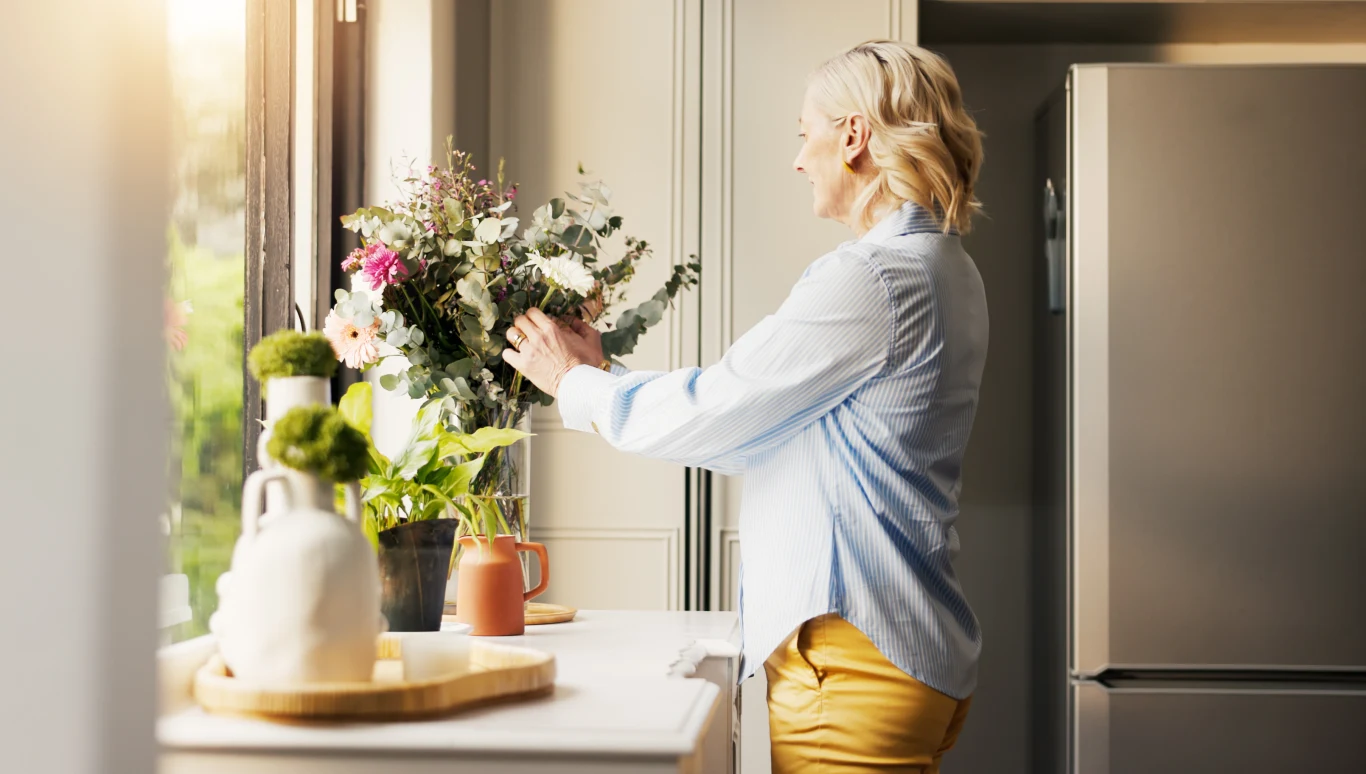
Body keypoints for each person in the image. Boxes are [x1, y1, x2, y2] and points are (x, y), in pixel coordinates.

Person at [503, 39, 988, 773]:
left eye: (806, 133)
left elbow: (720, 404)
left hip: (851, 664)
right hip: (900, 651)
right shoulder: (945, 266)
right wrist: (605, 371)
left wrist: (569, 381)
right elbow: (756, 429)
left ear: (853, 136)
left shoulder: (876, 278)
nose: (799, 159)